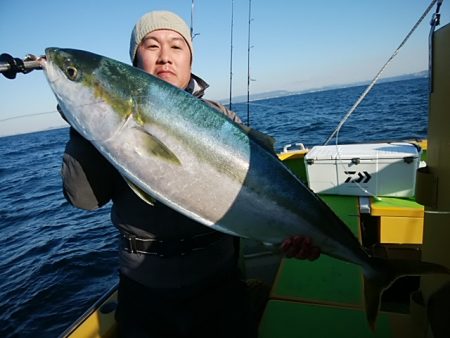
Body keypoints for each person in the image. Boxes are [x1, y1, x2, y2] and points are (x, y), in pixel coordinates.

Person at [61, 10, 320, 338]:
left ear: (190, 60)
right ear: (134, 60)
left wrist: (285, 238)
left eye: (177, 46)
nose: (165, 57)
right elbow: (83, 199)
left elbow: (264, 183)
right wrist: (82, 123)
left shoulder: (221, 117)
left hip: (220, 284)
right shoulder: (107, 122)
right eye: (151, 45)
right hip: (144, 289)